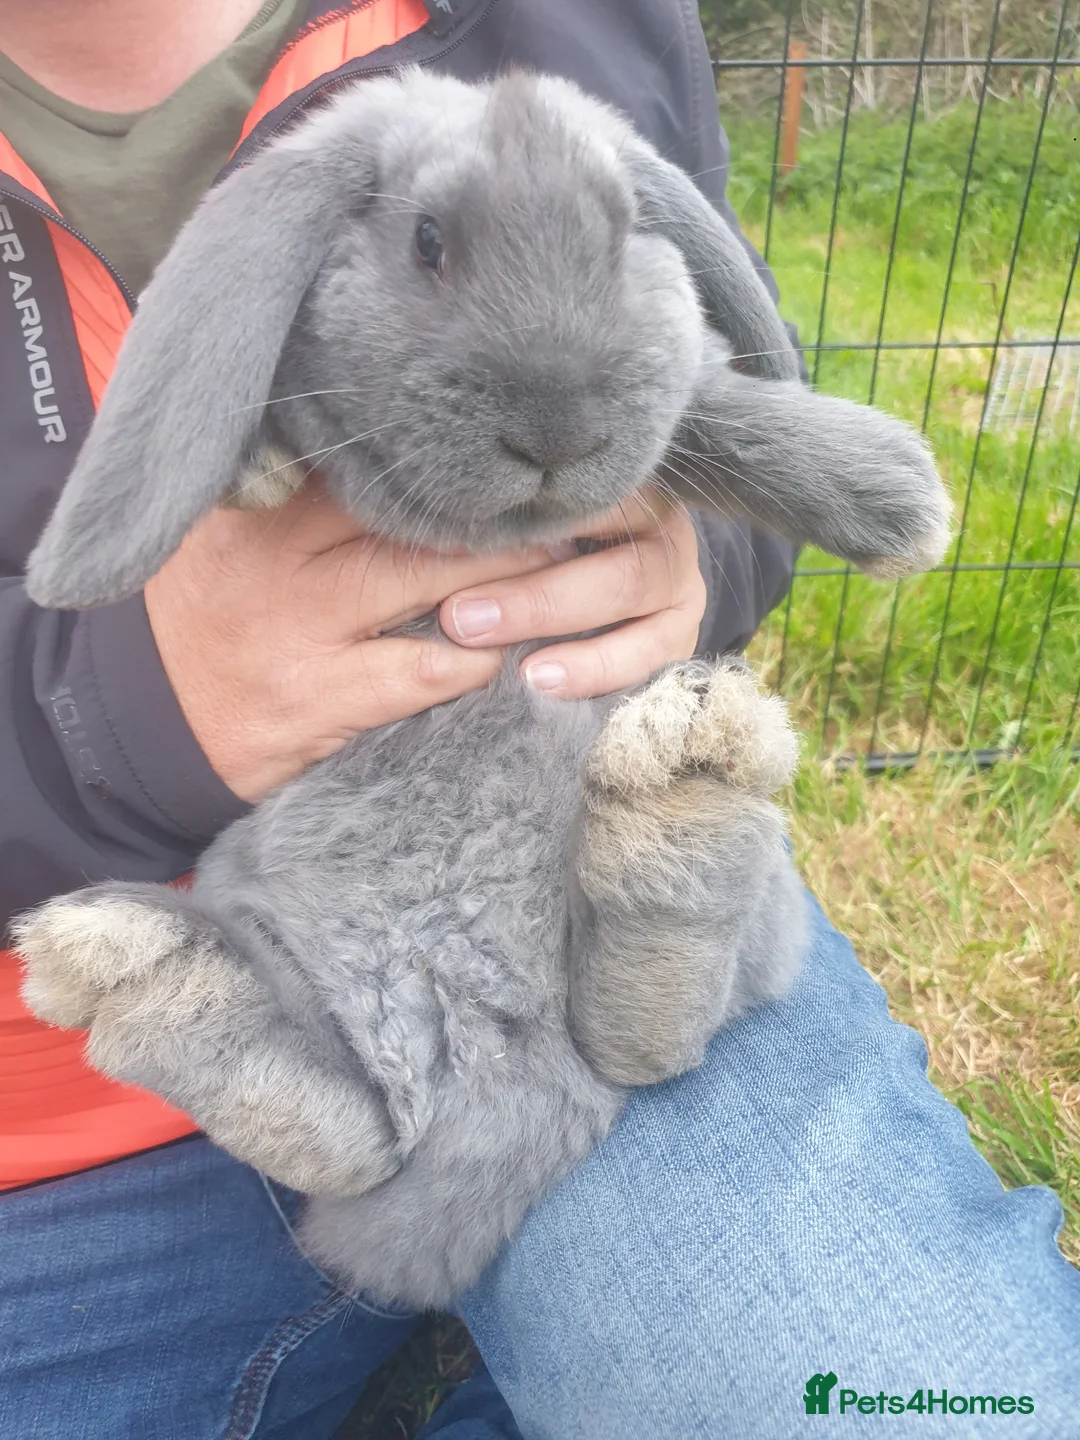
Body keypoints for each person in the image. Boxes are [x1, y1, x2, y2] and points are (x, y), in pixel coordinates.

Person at [0, 2, 1077, 1437]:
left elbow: (710, 374)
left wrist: (695, 558)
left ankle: (658, 932)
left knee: (901, 1405)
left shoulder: (564, 17)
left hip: (576, 924)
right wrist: (119, 708)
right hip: (71, 1085)